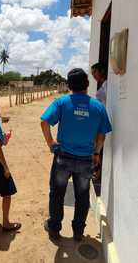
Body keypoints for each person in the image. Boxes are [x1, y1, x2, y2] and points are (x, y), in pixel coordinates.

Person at [41, 68, 112, 241]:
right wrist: (96, 152)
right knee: (82, 195)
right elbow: (102, 135)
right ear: (87, 84)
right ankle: (78, 231)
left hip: (63, 157)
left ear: (69, 85)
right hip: (85, 159)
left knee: (57, 193)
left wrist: (51, 143)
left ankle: (54, 228)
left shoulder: (62, 102)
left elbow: (44, 121)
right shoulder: (98, 106)